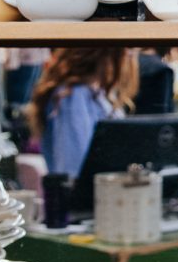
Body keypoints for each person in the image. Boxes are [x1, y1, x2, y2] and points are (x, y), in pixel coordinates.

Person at [31, 48, 139, 177]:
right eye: (126, 51)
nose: (130, 56)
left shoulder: (101, 94)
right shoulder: (74, 96)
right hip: (90, 192)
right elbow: (74, 166)